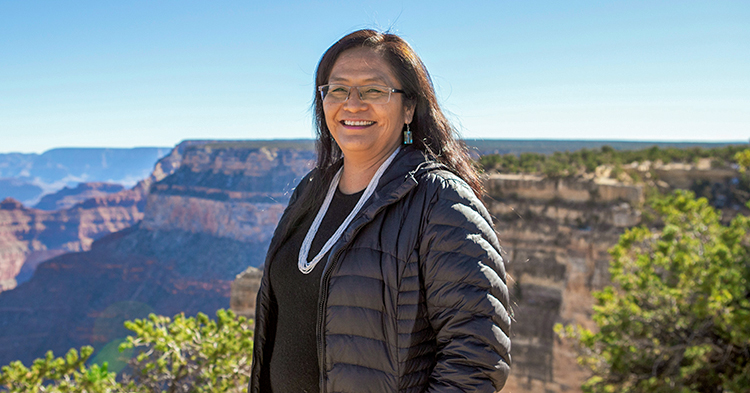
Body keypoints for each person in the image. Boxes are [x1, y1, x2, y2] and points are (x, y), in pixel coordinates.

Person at [249, 29, 511, 393]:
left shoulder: (440, 201)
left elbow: (476, 358)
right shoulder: (311, 191)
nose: (352, 104)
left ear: (409, 107)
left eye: (374, 90)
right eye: (337, 90)